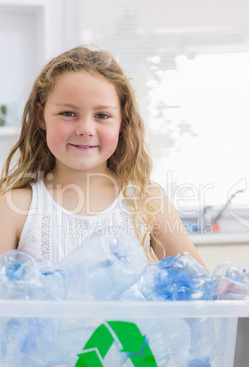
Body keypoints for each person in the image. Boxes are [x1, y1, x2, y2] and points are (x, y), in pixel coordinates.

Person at [0, 45, 212, 268]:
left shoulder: (147, 202)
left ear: (123, 121)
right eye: (68, 113)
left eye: (102, 115)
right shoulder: (14, 208)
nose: (85, 129)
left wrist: (231, 288)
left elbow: (203, 287)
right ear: (40, 116)